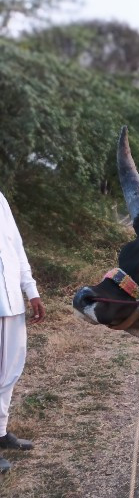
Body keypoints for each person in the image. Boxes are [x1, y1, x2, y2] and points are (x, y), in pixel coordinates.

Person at [0, 190, 46, 474]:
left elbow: (16, 246)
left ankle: (1, 431)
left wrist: (31, 290)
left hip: (11, 303)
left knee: (9, 372)